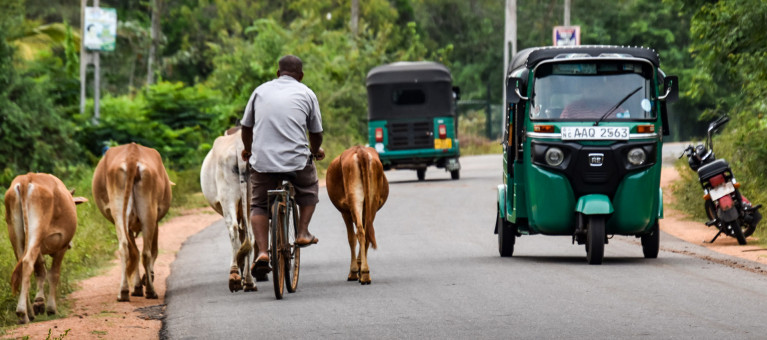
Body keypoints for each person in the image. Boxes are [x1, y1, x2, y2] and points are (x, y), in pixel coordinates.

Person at [240, 55, 325, 278]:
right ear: (301, 76)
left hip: (263, 161)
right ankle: (303, 232)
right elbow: (316, 132)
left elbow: (246, 127)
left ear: (278, 73)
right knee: (309, 191)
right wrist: (315, 151)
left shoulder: (259, 91)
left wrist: (248, 150)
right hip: (296, 161)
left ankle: (262, 253)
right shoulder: (307, 93)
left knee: (258, 204)